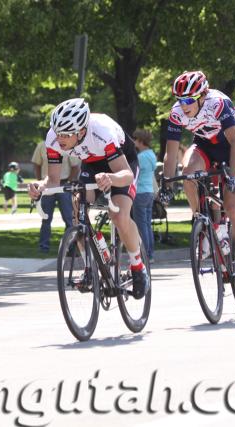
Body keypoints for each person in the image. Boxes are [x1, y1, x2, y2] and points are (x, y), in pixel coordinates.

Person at [28, 98, 150, 299]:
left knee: (118, 215)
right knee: (79, 204)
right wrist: (40, 186)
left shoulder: (102, 132)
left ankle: (138, 266)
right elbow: (53, 179)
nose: (60, 139)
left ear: (82, 131)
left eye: (66, 135)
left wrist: (110, 178)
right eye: (58, 133)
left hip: (122, 164)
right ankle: (89, 266)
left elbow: (126, 175)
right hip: (92, 166)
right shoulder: (53, 138)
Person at [161, 71, 235, 303]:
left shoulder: (219, 104)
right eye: (179, 100)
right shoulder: (176, 113)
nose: (182, 106)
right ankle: (205, 225)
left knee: (233, 208)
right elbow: (171, 151)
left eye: (187, 101)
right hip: (203, 147)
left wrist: (233, 177)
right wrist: (166, 182)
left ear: (202, 95)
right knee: (188, 175)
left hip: (229, 149)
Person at [31, 139, 80, 253]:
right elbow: (37, 164)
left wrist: (68, 182)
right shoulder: (42, 145)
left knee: (68, 219)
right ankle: (44, 247)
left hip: (64, 185)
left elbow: (75, 166)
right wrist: (40, 181)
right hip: (47, 186)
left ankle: (70, 248)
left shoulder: (68, 144)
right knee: (46, 218)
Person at [133, 129, 157, 262]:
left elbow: (133, 174)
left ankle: (145, 255)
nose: (134, 142)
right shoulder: (152, 155)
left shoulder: (140, 157)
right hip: (149, 192)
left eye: (136, 139)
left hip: (139, 193)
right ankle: (150, 253)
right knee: (147, 225)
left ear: (141, 141)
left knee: (141, 226)